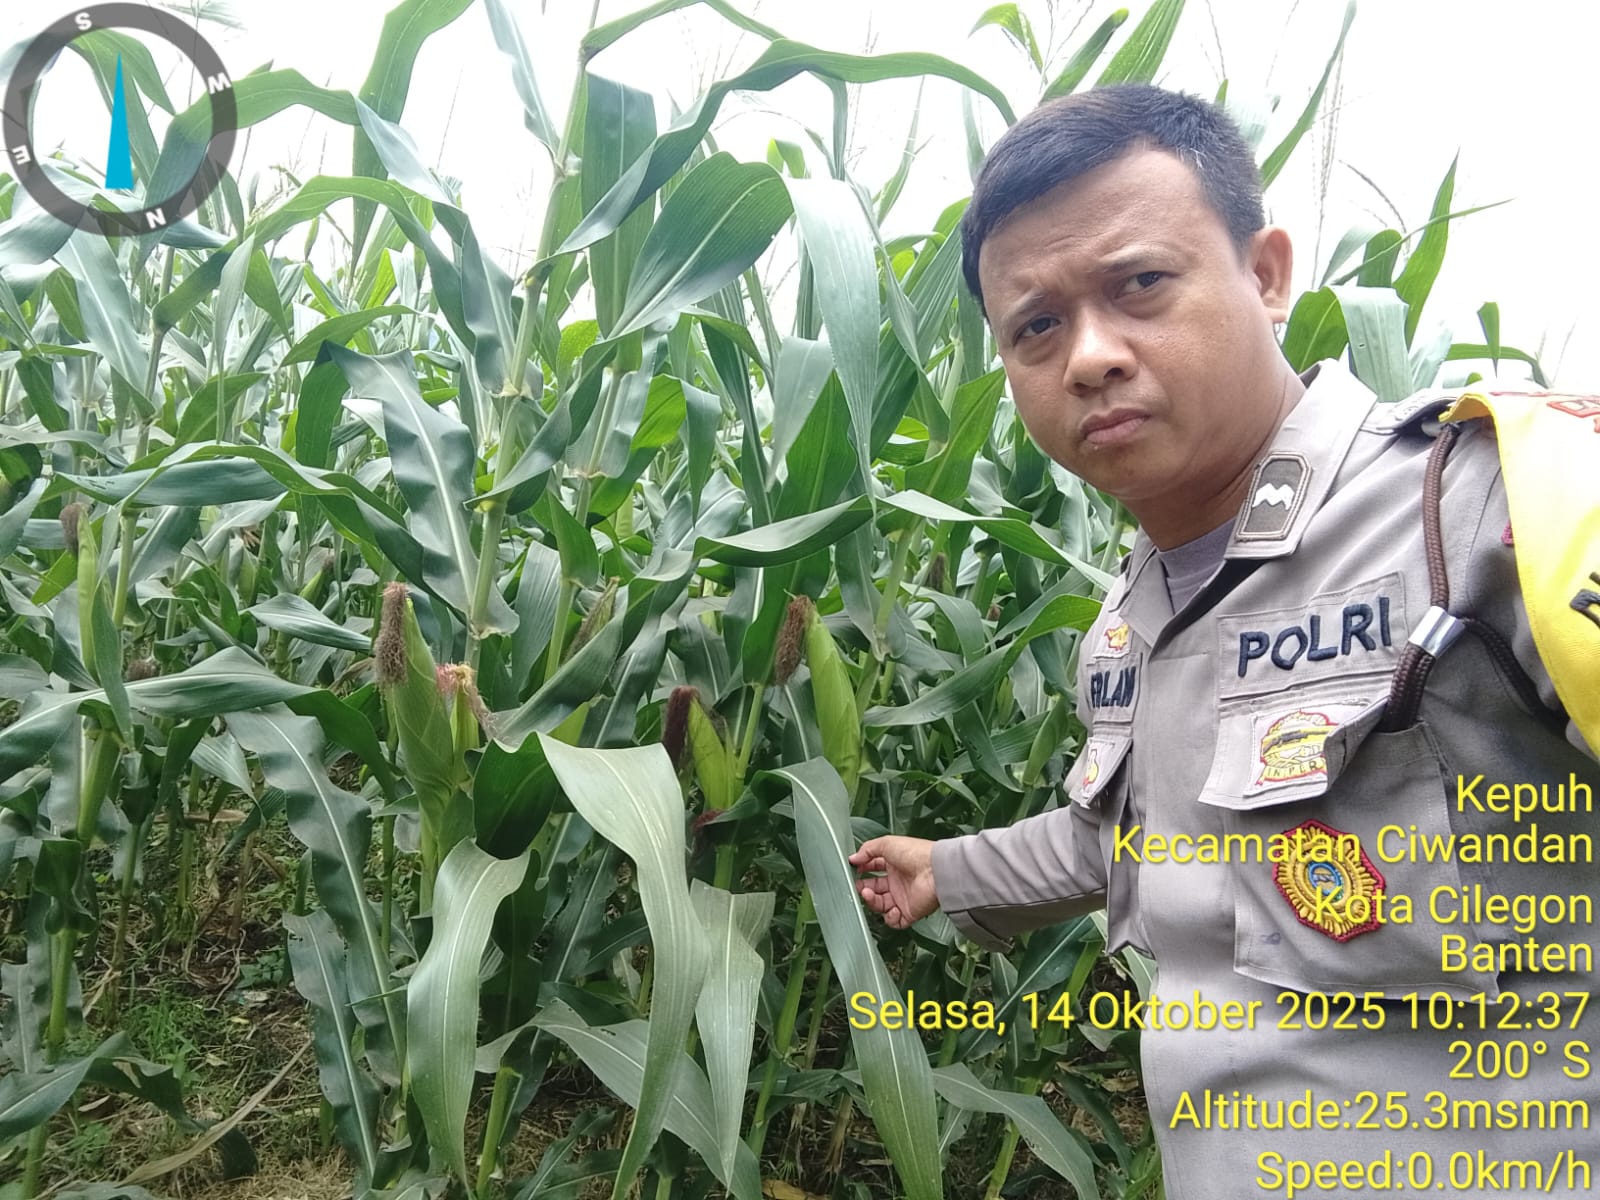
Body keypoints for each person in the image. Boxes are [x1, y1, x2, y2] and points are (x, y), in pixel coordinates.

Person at [848, 83, 1600, 1198]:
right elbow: (1147, 839)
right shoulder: (1130, 620)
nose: (1089, 356)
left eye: (1140, 284)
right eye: (1035, 327)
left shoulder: (1492, 505)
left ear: (1265, 273)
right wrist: (946, 873)